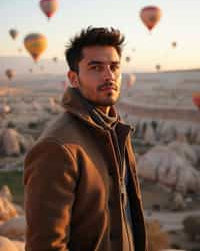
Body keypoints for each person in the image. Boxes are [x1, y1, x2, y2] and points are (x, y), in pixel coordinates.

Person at [24, 27, 147, 251]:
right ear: (73, 78)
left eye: (114, 67)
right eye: (96, 67)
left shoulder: (116, 131)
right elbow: (45, 244)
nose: (109, 75)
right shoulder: (58, 146)